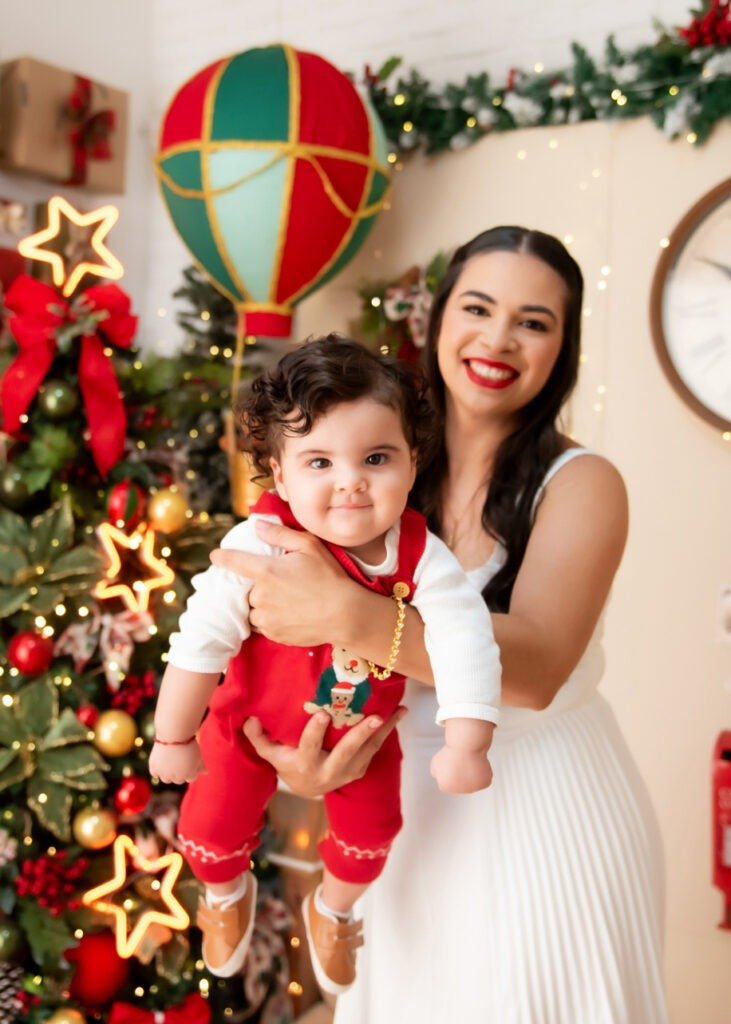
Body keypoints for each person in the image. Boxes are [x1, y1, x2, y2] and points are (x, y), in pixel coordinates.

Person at [209, 227, 669, 1023]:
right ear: (437, 320)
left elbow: (537, 668)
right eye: (478, 309)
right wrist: (305, 769)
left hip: (544, 809)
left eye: (532, 322)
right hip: (399, 817)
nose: (498, 339)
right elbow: (289, 635)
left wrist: (349, 613)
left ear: (562, 349)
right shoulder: (365, 473)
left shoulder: (582, 483)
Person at [149, 338, 501, 997]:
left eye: (376, 458)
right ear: (280, 477)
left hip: (362, 738)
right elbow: (200, 640)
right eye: (319, 461)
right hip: (245, 726)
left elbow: (464, 639)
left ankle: (333, 910)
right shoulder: (260, 543)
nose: (350, 480)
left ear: (412, 461)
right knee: (208, 825)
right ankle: (223, 894)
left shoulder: (423, 557)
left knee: (373, 833)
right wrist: (172, 736)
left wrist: (467, 742)